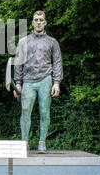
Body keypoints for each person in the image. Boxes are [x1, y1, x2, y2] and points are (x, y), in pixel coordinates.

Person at [14, 10, 63, 153]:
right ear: (32, 23)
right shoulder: (23, 41)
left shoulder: (52, 42)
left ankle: (42, 142)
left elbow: (57, 62)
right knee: (25, 111)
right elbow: (18, 63)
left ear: (45, 22)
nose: (39, 22)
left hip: (45, 79)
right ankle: (25, 143)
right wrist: (18, 82)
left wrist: (56, 82)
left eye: (41, 20)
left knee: (44, 111)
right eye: (36, 20)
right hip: (28, 80)